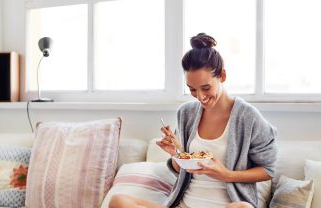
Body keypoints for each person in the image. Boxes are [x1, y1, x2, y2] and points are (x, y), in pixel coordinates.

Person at [109, 33, 277, 208]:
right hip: (184, 204)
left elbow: (268, 170)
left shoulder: (248, 117)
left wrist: (227, 174)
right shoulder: (186, 113)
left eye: (206, 88)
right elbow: (179, 168)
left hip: (227, 205)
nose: (200, 97)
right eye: (192, 89)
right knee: (118, 201)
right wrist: (178, 153)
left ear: (223, 76)